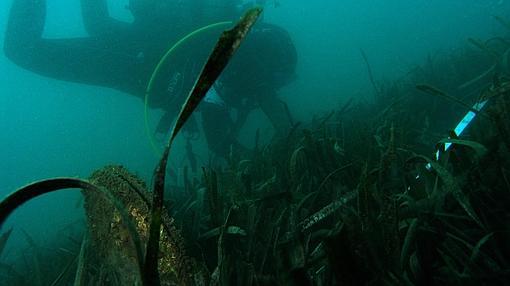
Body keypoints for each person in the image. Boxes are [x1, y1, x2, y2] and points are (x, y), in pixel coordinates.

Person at [4, 0, 297, 157]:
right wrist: (279, 153)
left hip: (151, 55)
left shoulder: (228, 75)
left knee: (97, 25)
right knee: (22, 48)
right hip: (147, 65)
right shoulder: (249, 74)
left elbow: (219, 138)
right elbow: (231, 135)